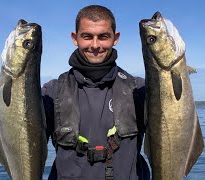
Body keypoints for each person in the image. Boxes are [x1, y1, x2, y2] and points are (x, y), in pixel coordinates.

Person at [42, 5, 150, 180]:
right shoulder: (52, 91)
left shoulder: (139, 90)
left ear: (115, 38)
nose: (95, 45)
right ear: (75, 38)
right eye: (87, 36)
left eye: (103, 36)